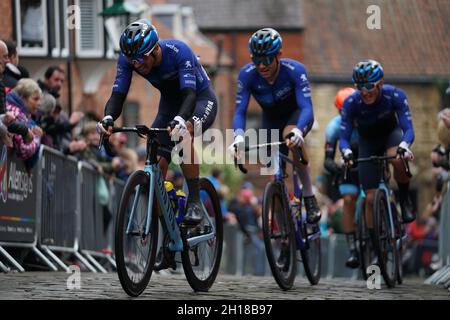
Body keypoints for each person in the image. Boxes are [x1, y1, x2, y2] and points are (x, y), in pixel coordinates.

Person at [97, 19, 218, 227]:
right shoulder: (128, 60)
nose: (137, 65)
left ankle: (195, 200)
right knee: (157, 164)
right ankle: (166, 233)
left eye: (141, 59)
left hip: (199, 100)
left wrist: (181, 120)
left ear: (154, 49)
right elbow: (117, 96)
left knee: (182, 133)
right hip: (169, 105)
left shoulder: (179, 51)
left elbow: (189, 94)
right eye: (132, 61)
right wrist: (108, 118)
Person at [228, 28, 321, 224]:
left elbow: (307, 107)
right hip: (270, 121)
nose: (261, 66)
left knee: (291, 138)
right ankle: (285, 235)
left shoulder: (295, 71)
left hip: (297, 116)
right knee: (274, 179)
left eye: (267, 60)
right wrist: (237, 137)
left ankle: (309, 197)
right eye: (256, 60)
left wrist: (298, 130)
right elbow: (240, 112)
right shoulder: (247, 75)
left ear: (278, 55)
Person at [340, 60, 416, 239]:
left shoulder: (395, 95)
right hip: (368, 142)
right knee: (370, 198)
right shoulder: (351, 102)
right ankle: (376, 243)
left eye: (369, 86)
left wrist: (404, 146)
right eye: (360, 87)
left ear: (380, 83)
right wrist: (346, 152)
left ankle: (404, 199)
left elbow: (408, 128)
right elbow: (343, 137)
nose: (365, 92)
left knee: (396, 159)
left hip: (391, 134)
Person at [324, 87, 361, 268]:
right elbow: (327, 161)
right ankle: (352, 247)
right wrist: (337, 168)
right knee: (348, 200)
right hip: (349, 165)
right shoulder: (334, 126)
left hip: (369, 160)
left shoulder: (367, 119)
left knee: (375, 196)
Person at [5, 78, 43, 162]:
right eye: (35, 99)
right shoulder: (16, 113)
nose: (39, 103)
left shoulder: (19, 112)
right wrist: (36, 137)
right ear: (22, 97)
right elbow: (23, 150)